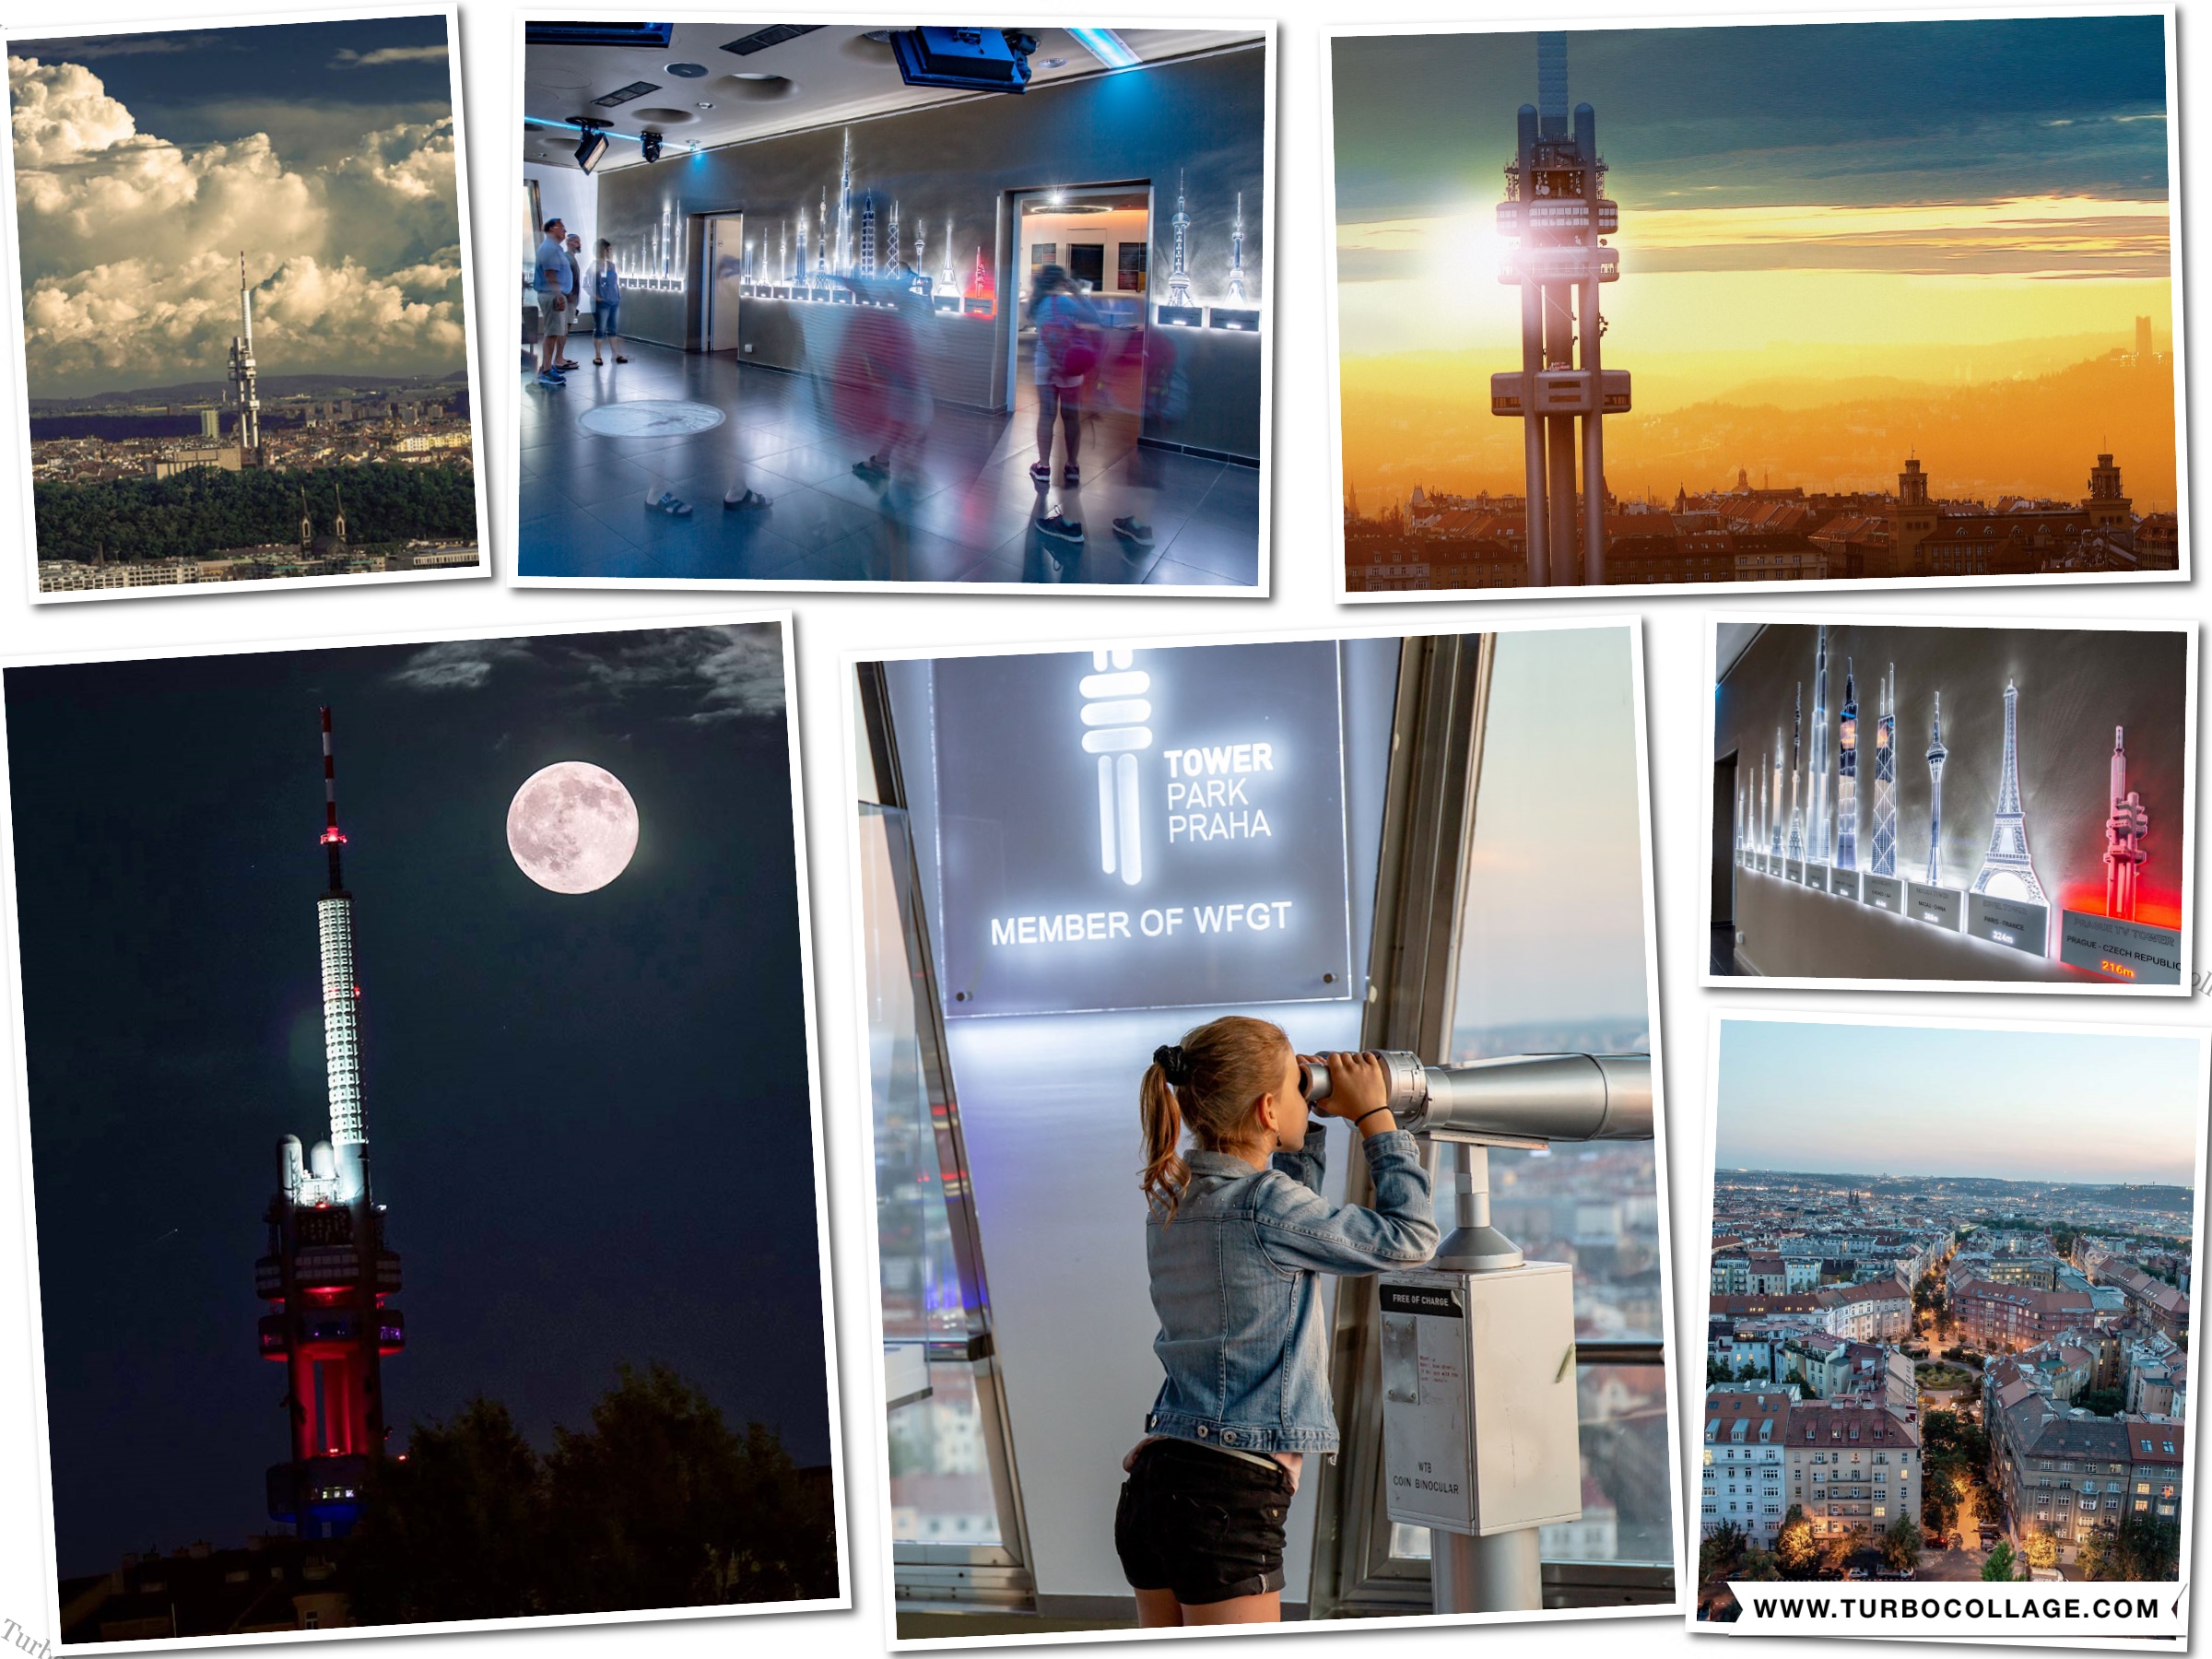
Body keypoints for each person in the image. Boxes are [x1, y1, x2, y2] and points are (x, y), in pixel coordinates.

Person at [1117, 1021, 1437, 1627]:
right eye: (1296, 1088)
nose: (1304, 1095)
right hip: (1226, 1497)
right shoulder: (1265, 1206)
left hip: (1155, 1486)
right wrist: (1374, 1119)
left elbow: (1289, 1221)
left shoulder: (1175, 1199)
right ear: (1268, 1109)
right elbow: (1411, 1238)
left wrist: (1306, 1108)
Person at [1028, 264, 1101, 545]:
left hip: (1046, 364)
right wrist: (1076, 292)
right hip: (1071, 364)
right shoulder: (1068, 302)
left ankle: (1043, 466)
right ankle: (1071, 464)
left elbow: (1037, 324)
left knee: (1046, 415)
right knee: (1071, 417)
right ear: (1061, 281)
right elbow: (1095, 318)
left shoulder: (1037, 304)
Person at [532, 218, 571, 387]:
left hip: (553, 294)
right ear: (552, 229)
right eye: (561, 227)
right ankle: (546, 372)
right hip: (552, 295)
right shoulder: (549, 248)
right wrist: (558, 295)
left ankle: (546, 367)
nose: (565, 231)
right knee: (552, 333)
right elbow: (549, 274)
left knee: (553, 333)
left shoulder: (554, 248)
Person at [588, 240, 627, 366]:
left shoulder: (611, 265)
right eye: (606, 250)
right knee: (599, 329)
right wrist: (596, 297)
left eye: (609, 250)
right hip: (602, 302)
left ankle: (615, 354)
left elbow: (615, 282)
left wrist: (618, 294)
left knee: (613, 329)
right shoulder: (594, 266)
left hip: (614, 301)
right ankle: (597, 355)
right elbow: (586, 284)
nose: (609, 252)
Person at [559, 234, 585, 372]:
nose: (578, 244)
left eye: (579, 242)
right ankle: (559, 358)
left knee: (565, 329)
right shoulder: (566, 258)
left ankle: (560, 357)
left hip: (571, 301)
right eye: (576, 242)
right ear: (569, 243)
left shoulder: (571, 259)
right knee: (563, 330)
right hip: (567, 300)